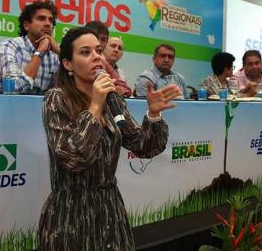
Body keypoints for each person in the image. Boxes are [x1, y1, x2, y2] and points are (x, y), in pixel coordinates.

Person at [38, 27, 181, 250]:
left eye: (98, 50)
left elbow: (142, 146)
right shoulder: (57, 99)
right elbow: (73, 158)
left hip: (109, 210)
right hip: (71, 213)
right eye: (85, 52)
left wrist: (153, 115)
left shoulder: (112, 98)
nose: (96, 56)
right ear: (68, 64)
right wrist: (95, 106)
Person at [0, 0, 60, 94]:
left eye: (51, 20)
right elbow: (14, 89)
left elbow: (67, 91)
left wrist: (60, 52)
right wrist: (40, 51)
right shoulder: (10, 46)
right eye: (41, 18)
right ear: (26, 25)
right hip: (12, 107)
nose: (48, 24)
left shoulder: (55, 53)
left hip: (43, 108)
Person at [85, 21, 132, 97]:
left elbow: (126, 88)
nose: (99, 43)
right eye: (95, 38)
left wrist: (117, 88)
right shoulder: (77, 58)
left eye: (103, 40)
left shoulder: (104, 62)